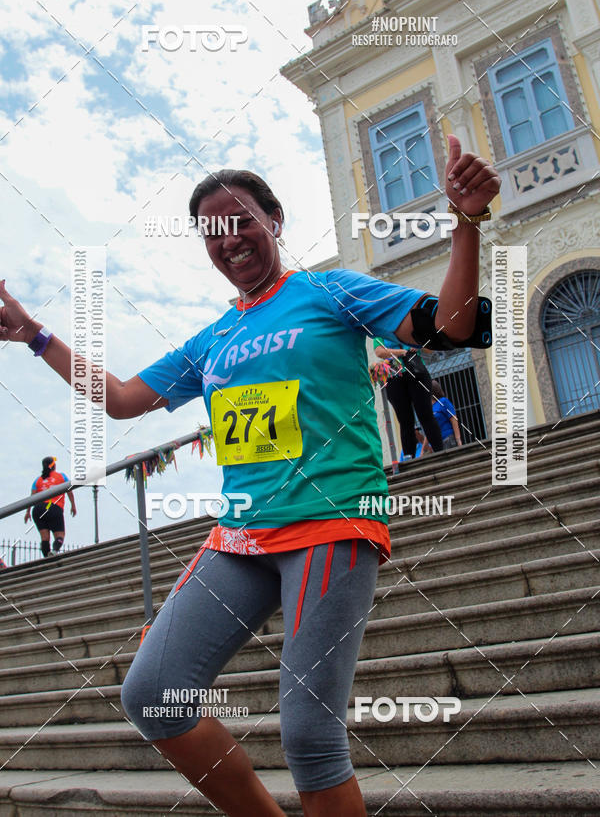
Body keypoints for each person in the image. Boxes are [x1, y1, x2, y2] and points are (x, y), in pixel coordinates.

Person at [0, 135, 500, 816]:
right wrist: (34, 334)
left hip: (331, 521)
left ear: (275, 221)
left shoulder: (329, 292)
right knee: (152, 691)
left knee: (308, 729)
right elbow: (119, 399)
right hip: (240, 535)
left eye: (242, 220)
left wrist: (466, 222)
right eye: (212, 231)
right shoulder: (212, 341)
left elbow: (452, 326)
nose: (229, 239)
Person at [372, 336, 442, 459]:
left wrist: (418, 344)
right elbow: (379, 351)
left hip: (417, 372)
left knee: (426, 415)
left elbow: (430, 348)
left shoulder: (410, 325)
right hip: (394, 377)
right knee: (405, 421)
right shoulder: (380, 329)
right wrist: (402, 352)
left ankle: (440, 452)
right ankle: (409, 458)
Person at [25, 456, 76, 557]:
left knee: (44, 538)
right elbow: (69, 490)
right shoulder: (61, 476)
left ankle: (46, 559)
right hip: (53, 507)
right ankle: (54, 550)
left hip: (38, 509)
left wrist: (27, 512)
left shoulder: (38, 480)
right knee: (60, 536)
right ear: (54, 465)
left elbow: (32, 497)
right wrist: (73, 505)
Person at [431, 379, 463, 450]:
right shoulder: (430, 407)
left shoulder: (443, 401)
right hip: (437, 442)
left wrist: (458, 439)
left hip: (448, 439)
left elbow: (453, 419)